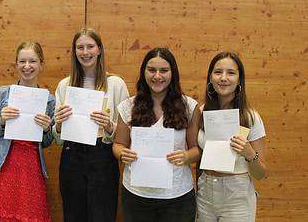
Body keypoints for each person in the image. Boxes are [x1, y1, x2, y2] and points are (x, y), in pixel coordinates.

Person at [112, 47, 200, 222]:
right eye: (152, 70)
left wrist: (185, 156)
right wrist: (122, 153)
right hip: (136, 196)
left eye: (164, 70)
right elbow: (117, 144)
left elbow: (196, 149)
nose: (157, 76)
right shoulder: (128, 106)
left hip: (177, 197)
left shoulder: (189, 106)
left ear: (172, 73)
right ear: (144, 72)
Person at [52, 28, 129, 222]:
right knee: (73, 215)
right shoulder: (65, 85)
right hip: (71, 155)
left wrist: (110, 126)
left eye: (90, 47)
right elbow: (57, 137)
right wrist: (59, 125)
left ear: (99, 50)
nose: (85, 52)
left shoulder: (116, 84)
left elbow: (127, 131)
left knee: (102, 215)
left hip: (102, 155)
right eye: (80, 47)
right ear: (74, 51)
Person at [0, 42, 55, 221]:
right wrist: (2, 122)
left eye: (33, 61)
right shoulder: (1, 94)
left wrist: (46, 130)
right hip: (3, 166)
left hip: (31, 169)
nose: (27, 66)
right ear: (16, 64)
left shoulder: (49, 99)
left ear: (41, 64)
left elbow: (47, 143)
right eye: (22, 61)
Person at [196, 52, 267, 221]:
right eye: (218, 72)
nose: (224, 78)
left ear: (239, 79)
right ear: (210, 78)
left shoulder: (250, 117)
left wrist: (250, 154)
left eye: (231, 73)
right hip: (205, 191)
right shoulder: (200, 112)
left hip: (237, 195)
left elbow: (261, 173)